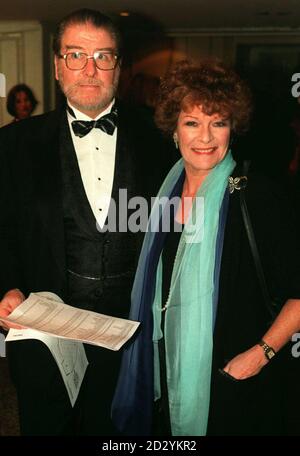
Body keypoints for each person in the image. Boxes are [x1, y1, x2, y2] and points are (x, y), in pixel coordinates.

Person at [0, 8, 174, 436]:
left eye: (104, 56)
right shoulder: (12, 143)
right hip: (42, 330)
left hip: (132, 335)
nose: (90, 69)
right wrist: (3, 286)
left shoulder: (162, 140)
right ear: (57, 66)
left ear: (121, 66)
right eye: (76, 55)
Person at [111, 60, 300, 436]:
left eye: (219, 122)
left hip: (235, 378)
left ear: (233, 128)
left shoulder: (257, 195)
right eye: (192, 122)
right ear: (174, 130)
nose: (206, 137)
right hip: (167, 368)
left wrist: (258, 356)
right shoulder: (161, 191)